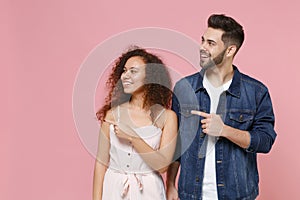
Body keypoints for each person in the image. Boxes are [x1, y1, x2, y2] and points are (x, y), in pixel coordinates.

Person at [166, 14, 277, 200]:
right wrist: (170, 184)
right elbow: (176, 143)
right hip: (190, 194)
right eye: (202, 40)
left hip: (237, 194)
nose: (202, 47)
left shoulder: (256, 92)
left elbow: (265, 141)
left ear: (229, 50)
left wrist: (225, 130)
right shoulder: (184, 88)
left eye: (210, 43)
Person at [92, 47, 178, 200]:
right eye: (124, 71)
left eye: (133, 71)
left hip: (150, 191)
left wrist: (133, 137)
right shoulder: (112, 114)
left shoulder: (167, 117)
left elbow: (163, 165)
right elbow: (100, 163)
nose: (125, 76)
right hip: (114, 189)